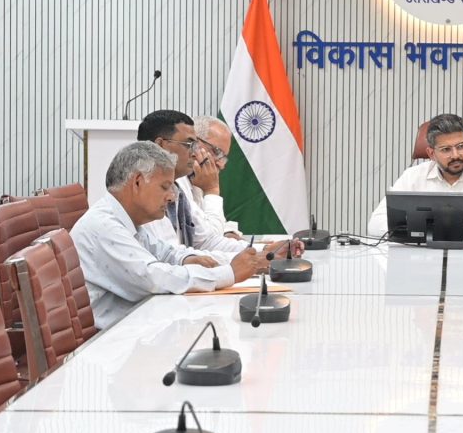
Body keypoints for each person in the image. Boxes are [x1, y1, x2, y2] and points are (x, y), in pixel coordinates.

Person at [71, 142, 259, 329]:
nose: (171, 197)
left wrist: (188, 259)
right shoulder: (104, 227)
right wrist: (228, 273)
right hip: (109, 341)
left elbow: (165, 252)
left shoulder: (125, 220)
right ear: (137, 182)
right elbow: (154, 279)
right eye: (164, 187)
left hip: (132, 330)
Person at [136, 110, 302, 262]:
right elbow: (173, 257)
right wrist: (212, 189)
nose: (193, 152)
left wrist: (263, 250)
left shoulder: (177, 186)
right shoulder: (144, 190)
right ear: (160, 145)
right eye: (189, 144)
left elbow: (205, 240)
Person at [188, 116, 241, 238]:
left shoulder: (199, 178)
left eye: (223, 157)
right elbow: (210, 239)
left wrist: (227, 231)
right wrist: (212, 189)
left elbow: (205, 223)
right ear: (194, 141)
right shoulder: (177, 179)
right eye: (217, 152)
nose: (221, 165)